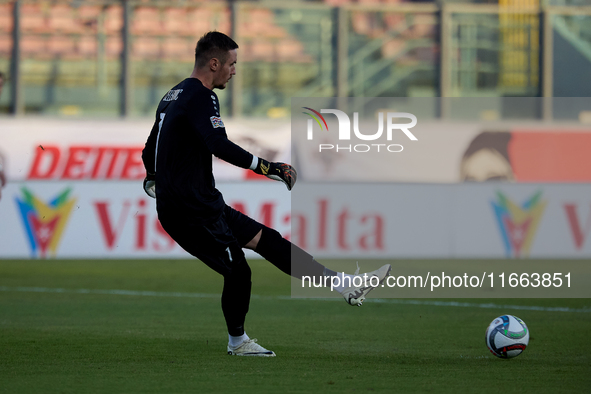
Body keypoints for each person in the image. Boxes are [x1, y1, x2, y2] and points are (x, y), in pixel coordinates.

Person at [141, 31, 390, 357]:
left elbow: (150, 147)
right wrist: (267, 167)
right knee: (238, 271)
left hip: (200, 203)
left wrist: (154, 177)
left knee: (266, 239)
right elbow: (217, 144)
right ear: (213, 63)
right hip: (192, 210)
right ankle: (238, 343)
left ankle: (342, 283)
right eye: (231, 64)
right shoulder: (202, 96)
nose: (234, 70)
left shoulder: (173, 94)